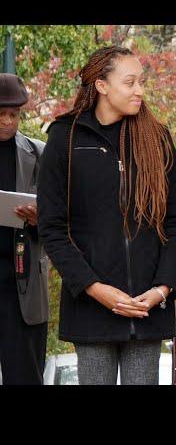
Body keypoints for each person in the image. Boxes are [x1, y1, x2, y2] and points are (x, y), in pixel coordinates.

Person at [37, 46, 176, 385]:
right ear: (101, 86)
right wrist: (94, 288)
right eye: (130, 82)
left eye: (142, 82)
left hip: (147, 308)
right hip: (91, 309)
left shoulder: (157, 138)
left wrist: (163, 288)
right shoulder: (65, 137)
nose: (140, 91)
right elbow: (52, 228)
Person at [0, 73, 48, 385]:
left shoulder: (40, 154)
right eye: (1, 114)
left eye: (13, 115)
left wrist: (38, 219)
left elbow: (63, 224)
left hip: (23, 288)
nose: (7, 121)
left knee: (26, 377)